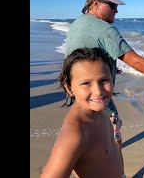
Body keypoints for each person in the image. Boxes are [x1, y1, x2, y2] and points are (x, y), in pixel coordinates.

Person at [65, 0, 144, 175]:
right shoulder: (105, 29)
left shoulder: (78, 24)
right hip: (98, 99)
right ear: (95, 3)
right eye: (113, 6)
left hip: (78, 96)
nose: (116, 11)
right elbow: (135, 61)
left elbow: (81, 55)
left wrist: (109, 68)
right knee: (113, 138)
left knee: (85, 143)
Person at [41, 48, 123, 178]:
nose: (98, 91)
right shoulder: (76, 134)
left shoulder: (99, 111)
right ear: (69, 88)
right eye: (86, 83)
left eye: (104, 80)